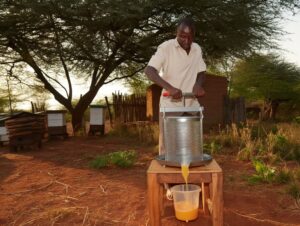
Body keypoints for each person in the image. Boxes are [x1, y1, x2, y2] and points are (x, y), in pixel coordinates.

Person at [144, 17, 206, 155]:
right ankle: (167, 171)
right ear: (176, 33)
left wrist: (198, 84)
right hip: (170, 106)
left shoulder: (197, 49)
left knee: (193, 146)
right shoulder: (166, 48)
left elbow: (202, 72)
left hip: (191, 104)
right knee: (169, 149)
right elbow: (149, 71)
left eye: (190, 37)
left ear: (194, 36)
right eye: (182, 36)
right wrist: (170, 88)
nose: (186, 41)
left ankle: (189, 173)